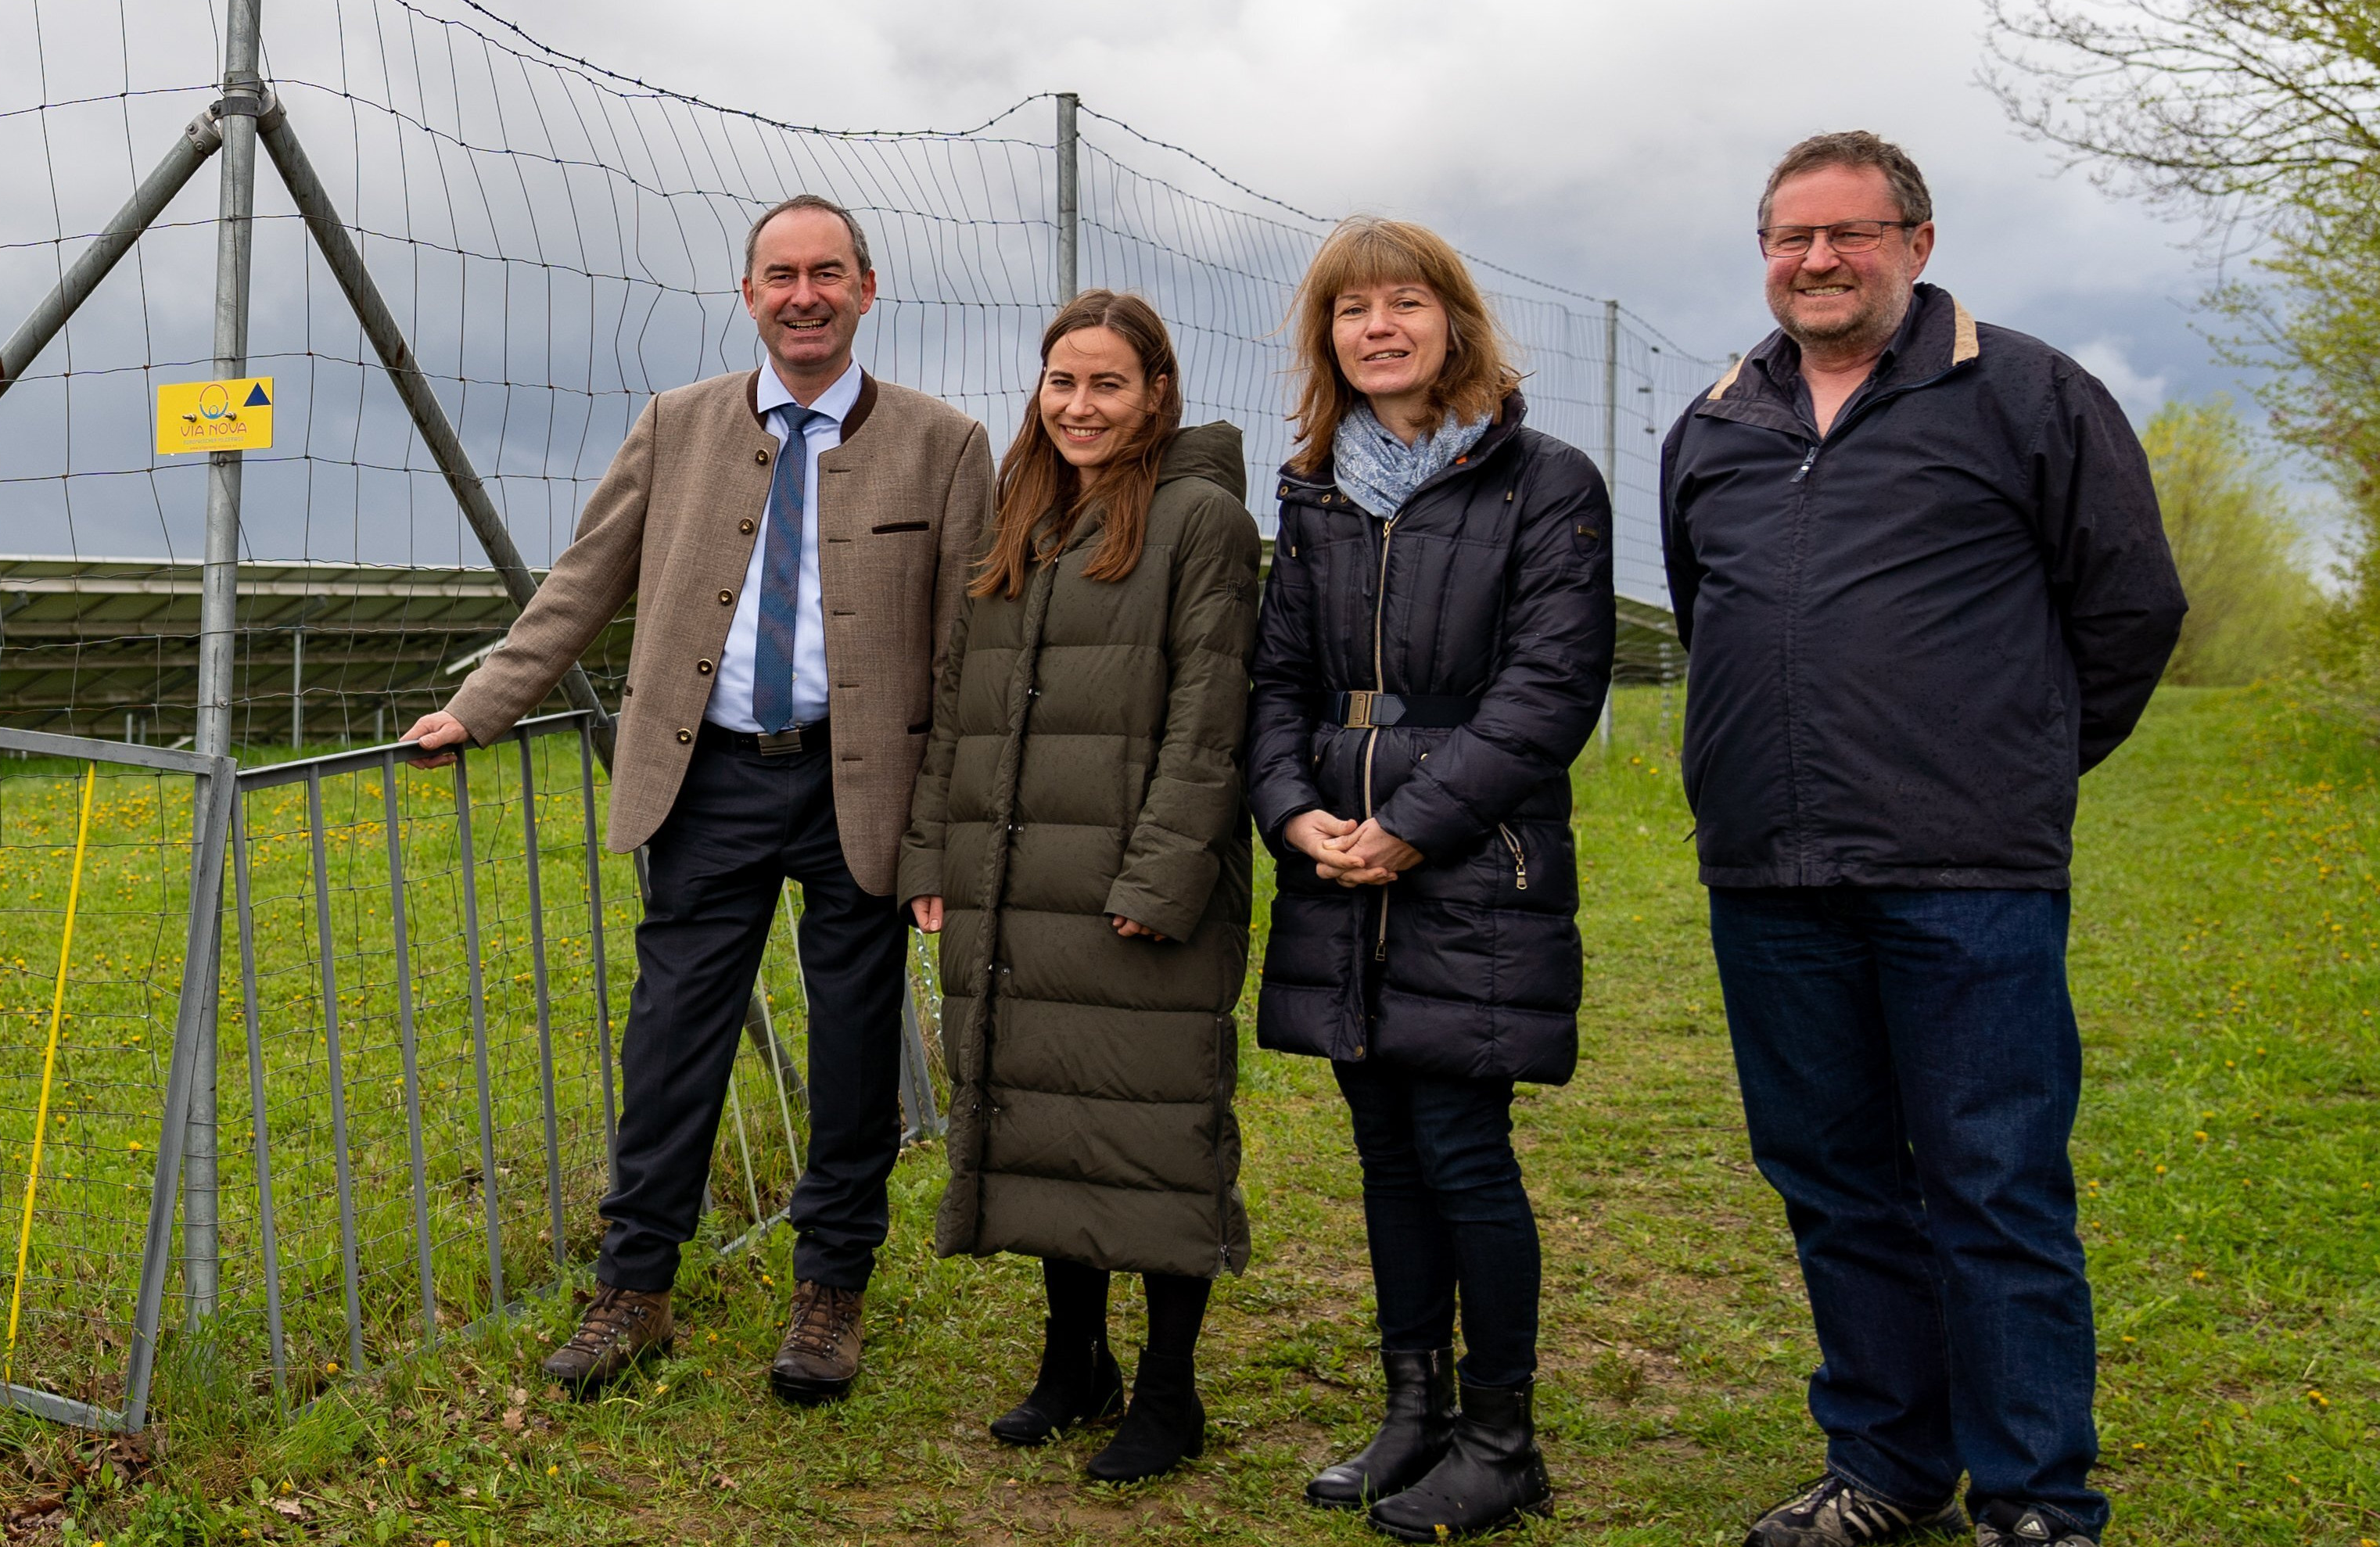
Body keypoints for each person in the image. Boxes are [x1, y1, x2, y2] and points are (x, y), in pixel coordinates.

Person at [1665, 132, 2182, 1547]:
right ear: (1762, 250)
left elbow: (2127, 611)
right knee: (1831, 1183)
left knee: (1992, 1182)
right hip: (1768, 872)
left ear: (1919, 240)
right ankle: (1886, 1466)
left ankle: (2033, 1496)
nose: (1818, 260)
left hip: (1968, 877)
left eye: (1851, 232)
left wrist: (2009, 764)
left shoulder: (2024, 394)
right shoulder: (1715, 422)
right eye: (1790, 237)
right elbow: (1708, 620)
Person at [404, 195, 995, 1406]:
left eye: (826, 273)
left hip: (859, 788)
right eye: (779, 275)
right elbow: (581, 583)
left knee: (848, 1051)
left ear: (866, 291)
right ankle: (634, 1287)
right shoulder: (674, 426)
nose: (803, 295)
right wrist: (481, 704)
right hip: (705, 777)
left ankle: (830, 1293)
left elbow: (962, 658)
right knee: (671, 1041)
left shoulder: (944, 444)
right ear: (749, 296)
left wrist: (938, 832)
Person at [1246, 217, 1612, 1536]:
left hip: (1471, 862)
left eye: (1404, 303)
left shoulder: (1546, 482)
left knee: (1461, 1145)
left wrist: (1410, 822)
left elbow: (1547, 691)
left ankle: (1500, 1435)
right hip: (1337, 867)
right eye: (1352, 311)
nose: (1377, 328)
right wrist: (1293, 813)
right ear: (1327, 338)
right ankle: (1412, 1409)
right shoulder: (1314, 493)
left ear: (1454, 319)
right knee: (1383, 1148)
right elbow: (1276, 678)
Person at [898, 289, 1256, 1481]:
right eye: (1062, 381)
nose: (1080, 405)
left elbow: (1212, 715)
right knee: (1050, 1122)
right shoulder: (1026, 512)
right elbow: (957, 702)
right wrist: (932, 852)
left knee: (1153, 1134)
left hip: (1135, 883)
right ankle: (1072, 1364)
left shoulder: (1199, 518)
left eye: (1107, 383)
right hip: (1013, 881)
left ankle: (1168, 1392)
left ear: (1157, 392)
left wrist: (1162, 873)